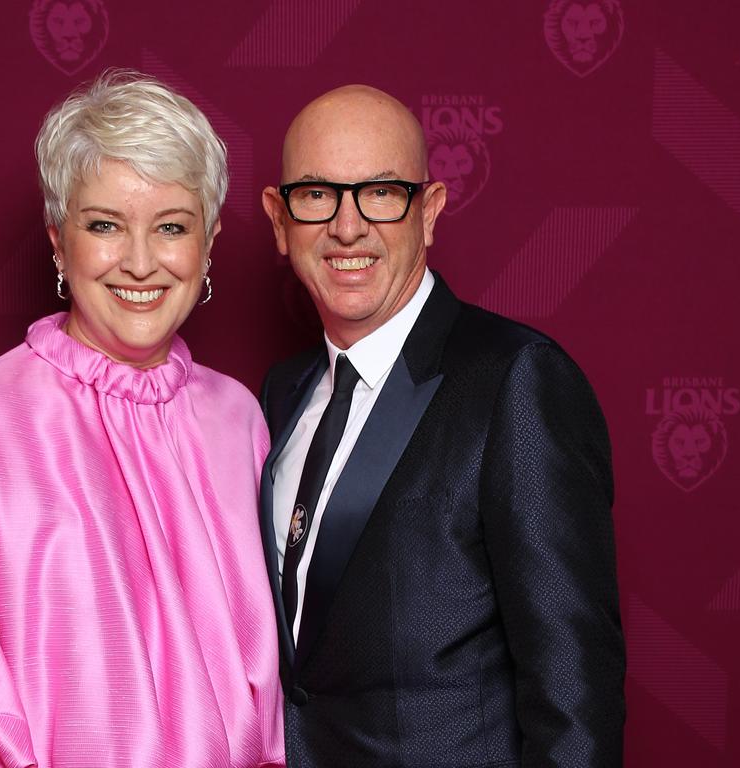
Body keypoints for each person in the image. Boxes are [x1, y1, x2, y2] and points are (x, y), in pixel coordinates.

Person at [0, 70, 284, 768]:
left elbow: (269, 699)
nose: (142, 261)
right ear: (59, 242)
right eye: (105, 226)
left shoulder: (240, 420)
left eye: (172, 227)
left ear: (208, 243)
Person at [259, 84, 625, 766]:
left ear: (428, 212)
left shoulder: (516, 382)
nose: (347, 226)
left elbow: (575, 694)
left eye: (382, 192)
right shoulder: (280, 395)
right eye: (317, 194)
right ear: (279, 221)